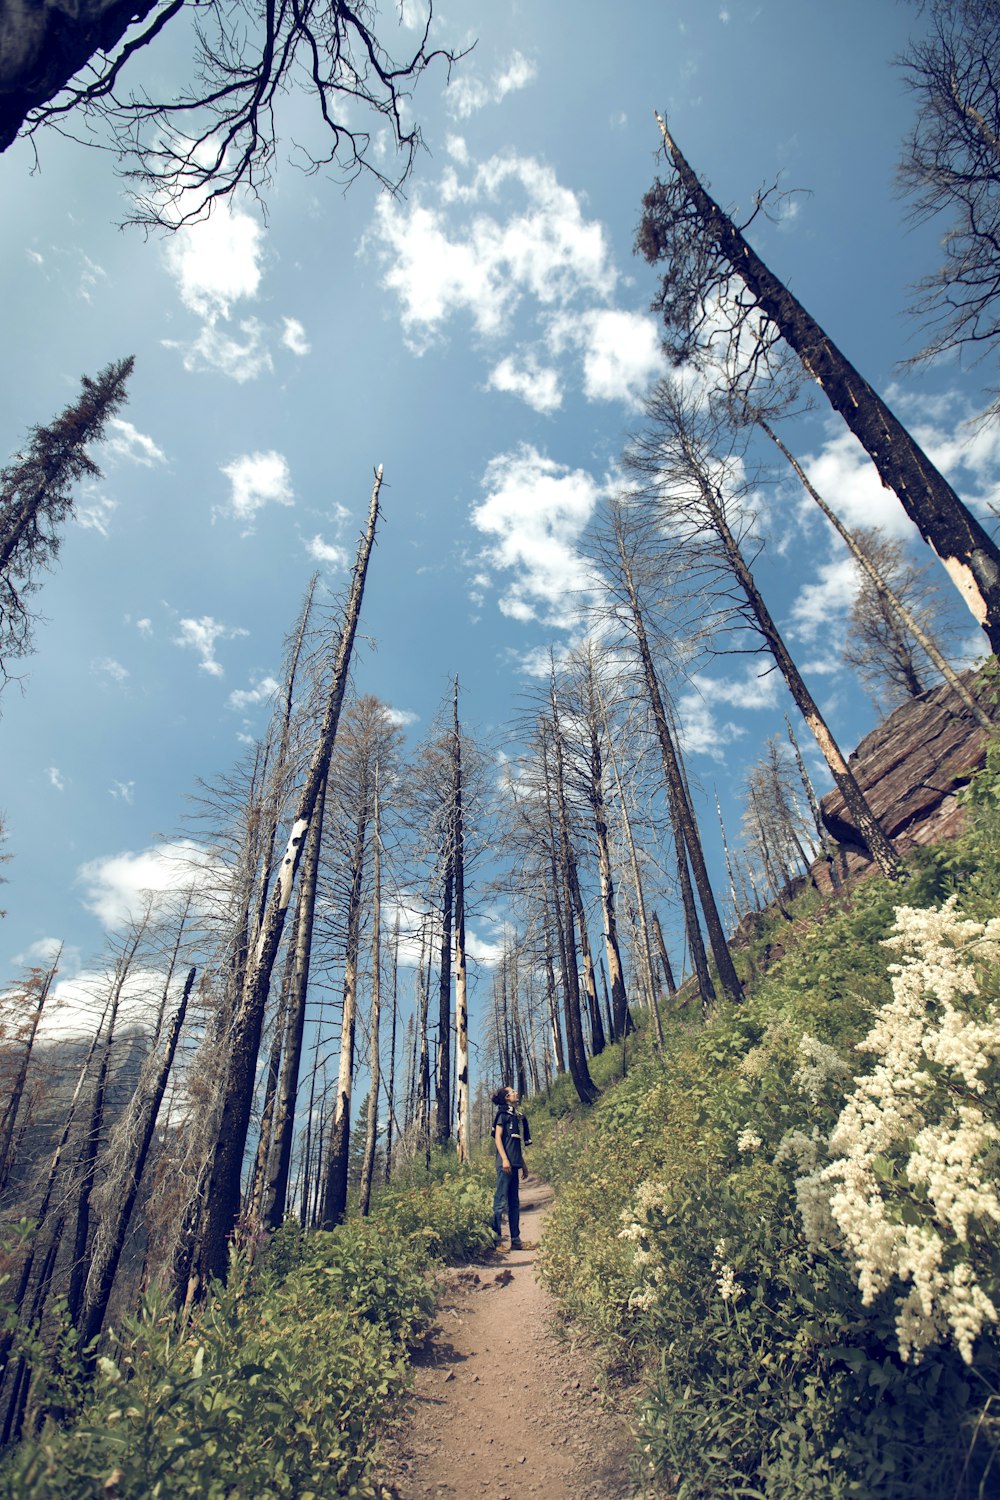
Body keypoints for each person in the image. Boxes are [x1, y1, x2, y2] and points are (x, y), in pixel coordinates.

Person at [491, 1085, 531, 1250]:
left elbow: (515, 1143)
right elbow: (498, 1139)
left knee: (514, 1202)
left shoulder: (515, 1117)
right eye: (513, 1092)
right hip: (505, 1165)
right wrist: (505, 1159)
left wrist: (523, 1164)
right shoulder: (502, 1115)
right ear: (507, 1098)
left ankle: (516, 1240)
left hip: (514, 1165)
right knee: (500, 1202)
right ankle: (496, 1240)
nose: (516, 1093)